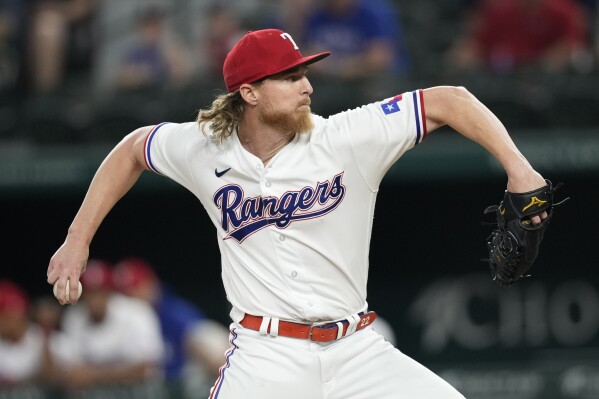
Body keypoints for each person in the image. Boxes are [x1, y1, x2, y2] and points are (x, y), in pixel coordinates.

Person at [47, 28, 549, 398]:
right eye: (290, 77)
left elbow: (448, 100)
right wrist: (78, 238)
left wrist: (521, 171)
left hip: (357, 350)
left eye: (305, 73)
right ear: (249, 93)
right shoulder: (203, 148)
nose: (307, 86)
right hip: (266, 357)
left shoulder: (344, 137)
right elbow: (134, 147)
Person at [113, 257, 230, 397]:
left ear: (151, 284)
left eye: (136, 288)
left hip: (190, 377)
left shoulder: (171, 311)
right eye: (126, 293)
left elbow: (199, 345)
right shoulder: (126, 320)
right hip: (156, 383)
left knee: (205, 335)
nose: (133, 296)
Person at [49, 259, 165, 393]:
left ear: (110, 292)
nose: (95, 299)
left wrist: (94, 376)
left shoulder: (137, 313)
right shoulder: (74, 317)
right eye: (90, 293)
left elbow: (146, 368)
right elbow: (71, 369)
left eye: (100, 292)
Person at [445, 0, 589, 74]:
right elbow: (477, 45)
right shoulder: (501, 12)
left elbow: (573, 43)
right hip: (507, 74)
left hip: (551, 74)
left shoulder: (562, 11)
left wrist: (545, 65)